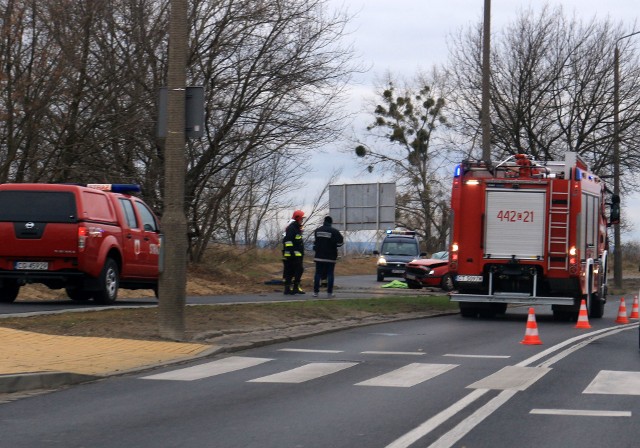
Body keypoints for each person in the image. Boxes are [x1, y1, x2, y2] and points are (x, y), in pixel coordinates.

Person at [312, 215, 344, 298]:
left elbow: (316, 242)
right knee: (330, 274)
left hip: (319, 256)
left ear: (324, 221)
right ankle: (329, 293)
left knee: (318, 274)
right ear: (331, 222)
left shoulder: (317, 231)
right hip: (330, 257)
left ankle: (315, 292)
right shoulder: (334, 231)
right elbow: (340, 243)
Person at [282, 209, 306, 295]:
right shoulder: (292, 228)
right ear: (297, 218)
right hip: (293, 255)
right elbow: (288, 241)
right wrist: (292, 253)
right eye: (301, 219)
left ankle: (289, 288)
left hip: (296, 254)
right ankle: (293, 287)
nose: (302, 220)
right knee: (298, 270)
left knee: (291, 271)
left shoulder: (296, 227)